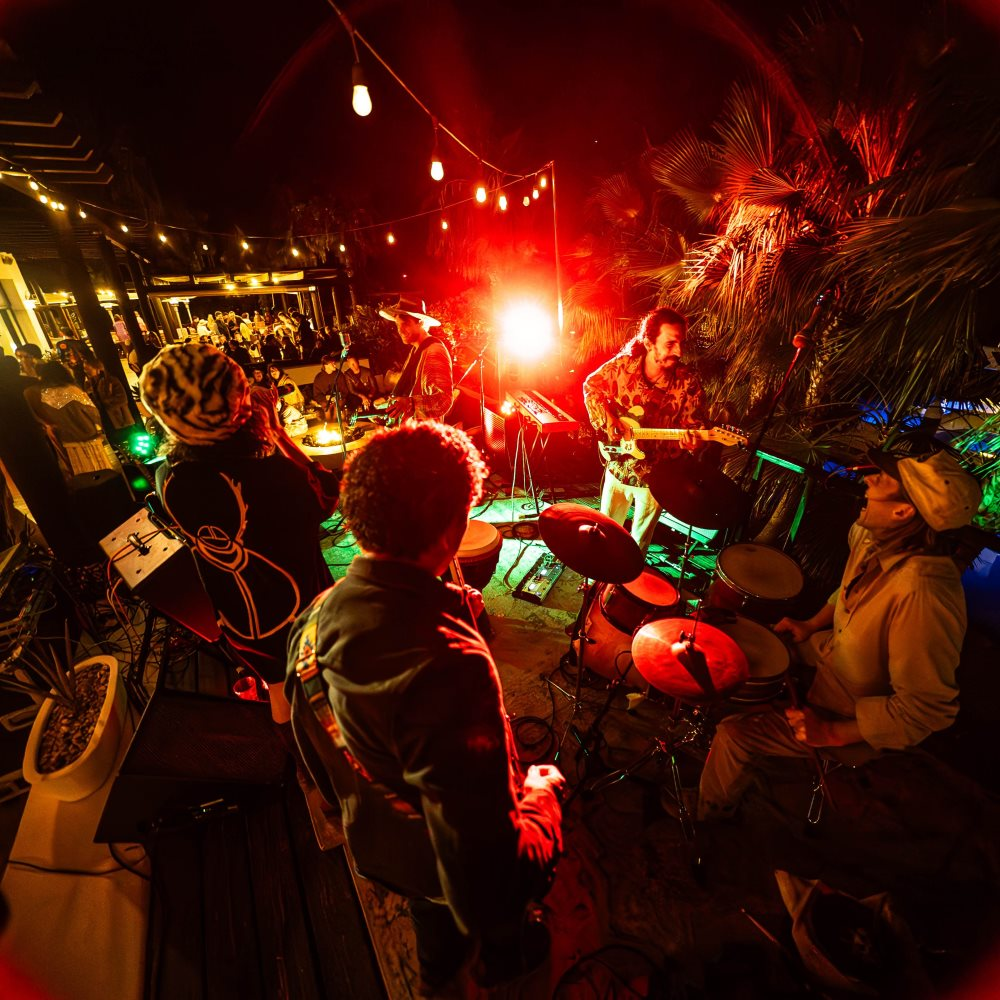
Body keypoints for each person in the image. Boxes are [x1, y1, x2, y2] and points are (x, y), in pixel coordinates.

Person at [285, 421, 564, 992]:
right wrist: (543, 799)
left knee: (433, 933)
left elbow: (312, 741)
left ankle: (438, 980)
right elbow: (487, 875)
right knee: (480, 927)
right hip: (444, 864)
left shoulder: (314, 615)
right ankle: (495, 967)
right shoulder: (452, 668)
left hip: (380, 841)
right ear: (454, 528)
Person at [697, 446, 982, 821]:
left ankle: (709, 813)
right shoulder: (870, 535)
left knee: (734, 734)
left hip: (850, 706)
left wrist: (830, 732)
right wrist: (810, 625)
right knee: (740, 643)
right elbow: (846, 590)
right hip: (830, 651)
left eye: (884, 479)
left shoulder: (925, 594)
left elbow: (924, 711)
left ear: (903, 511)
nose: (868, 480)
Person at [139, 343, 339, 724]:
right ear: (238, 401)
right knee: (321, 690)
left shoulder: (168, 475)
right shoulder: (270, 476)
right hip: (300, 610)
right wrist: (277, 433)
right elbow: (327, 494)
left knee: (280, 688)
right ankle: (330, 756)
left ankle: (301, 762)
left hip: (238, 618)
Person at [583, 307, 709, 555]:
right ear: (649, 343)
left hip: (657, 478)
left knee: (638, 544)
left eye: (680, 343)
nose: (679, 351)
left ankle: (625, 589)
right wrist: (608, 418)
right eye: (670, 343)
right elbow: (590, 387)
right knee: (604, 533)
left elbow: (694, 427)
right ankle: (598, 583)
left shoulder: (688, 382)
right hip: (618, 466)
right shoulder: (622, 367)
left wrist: (694, 442)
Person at [26, 359, 113, 476]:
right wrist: (100, 430)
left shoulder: (41, 395)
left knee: (80, 471)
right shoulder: (73, 390)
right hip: (89, 435)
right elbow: (93, 413)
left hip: (66, 440)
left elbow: (40, 417)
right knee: (100, 468)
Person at [378, 295, 453, 422]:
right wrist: (390, 406)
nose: (400, 330)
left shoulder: (433, 350)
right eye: (397, 325)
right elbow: (411, 391)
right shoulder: (416, 350)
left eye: (405, 324)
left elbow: (443, 400)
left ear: (421, 323)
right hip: (415, 433)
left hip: (427, 436)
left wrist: (410, 404)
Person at [82, 357, 135, 442]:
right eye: (84, 368)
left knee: (129, 441)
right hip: (105, 422)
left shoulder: (110, 381)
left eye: (88, 368)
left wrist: (105, 403)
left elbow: (122, 399)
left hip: (120, 420)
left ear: (97, 368)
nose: (86, 370)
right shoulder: (89, 385)